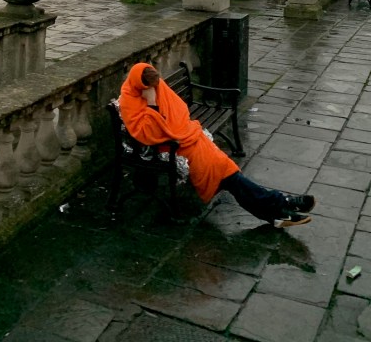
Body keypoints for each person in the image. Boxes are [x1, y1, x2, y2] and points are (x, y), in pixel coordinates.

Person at [119, 63, 315, 228]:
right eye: (150, 88)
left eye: (156, 87)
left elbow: (179, 111)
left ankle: (277, 210)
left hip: (187, 139)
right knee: (228, 175)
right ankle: (281, 205)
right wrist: (152, 104)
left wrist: (171, 121)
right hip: (168, 148)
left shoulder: (157, 87)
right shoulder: (130, 99)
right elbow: (149, 134)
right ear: (139, 85)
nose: (156, 89)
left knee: (228, 172)